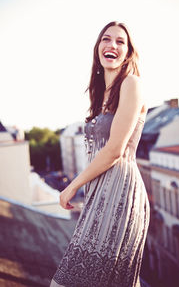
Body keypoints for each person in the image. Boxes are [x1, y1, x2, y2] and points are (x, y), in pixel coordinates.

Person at [50, 21, 150, 287]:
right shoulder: (101, 94)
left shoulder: (132, 83)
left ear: (128, 53)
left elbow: (115, 150)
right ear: (98, 48)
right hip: (99, 193)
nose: (112, 45)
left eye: (120, 42)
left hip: (120, 193)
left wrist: (72, 186)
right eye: (106, 39)